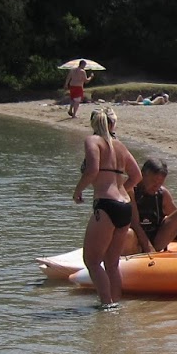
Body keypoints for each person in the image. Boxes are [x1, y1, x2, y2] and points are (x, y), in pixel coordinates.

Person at [72, 108, 142, 310]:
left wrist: (77, 191)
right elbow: (136, 176)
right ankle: (116, 305)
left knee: (92, 261)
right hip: (124, 206)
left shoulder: (92, 141)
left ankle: (106, 306)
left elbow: (93, 170)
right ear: (113, 124)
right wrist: (121, 189)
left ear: (94, 124)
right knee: (112, 263)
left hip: (106, 205)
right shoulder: (120, 146)